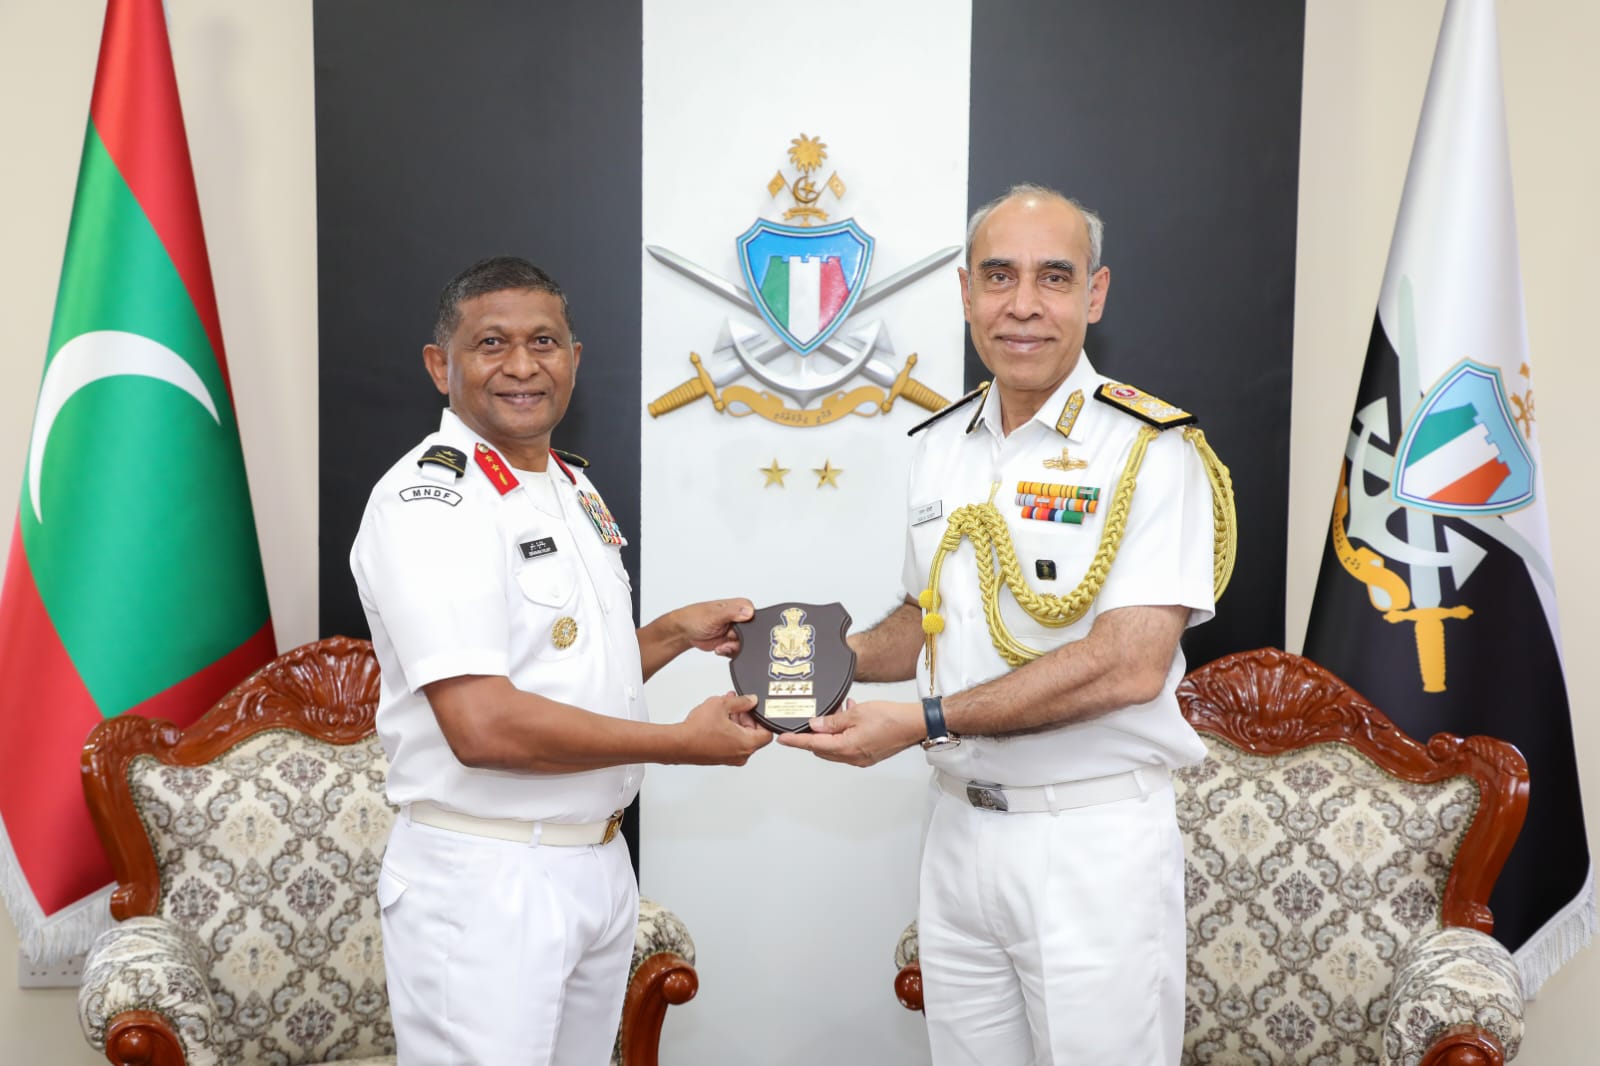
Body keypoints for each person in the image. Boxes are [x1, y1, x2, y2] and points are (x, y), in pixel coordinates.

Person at [782, 185, 1234, 1064]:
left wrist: (925, 720)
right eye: (998, 276)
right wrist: (811, 659)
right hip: (958, 831)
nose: (1022, 304)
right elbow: (929, 621)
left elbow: (1129, 665)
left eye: (1053, 277)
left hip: (1089, 841)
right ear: (965, 293)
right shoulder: (938, 445)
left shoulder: (1150, 449)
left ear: (1095, 295)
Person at [350, 255, 771, 1065]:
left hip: (593, 862)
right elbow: (483, 726)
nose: (522, 365)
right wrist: (678, 744)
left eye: (543, 341)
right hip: (489, 877)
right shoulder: (432, 503)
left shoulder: (566, 486)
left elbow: (566, 674)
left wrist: (672, 634)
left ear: (573, 359)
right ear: (440, 365)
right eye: (491, 343)